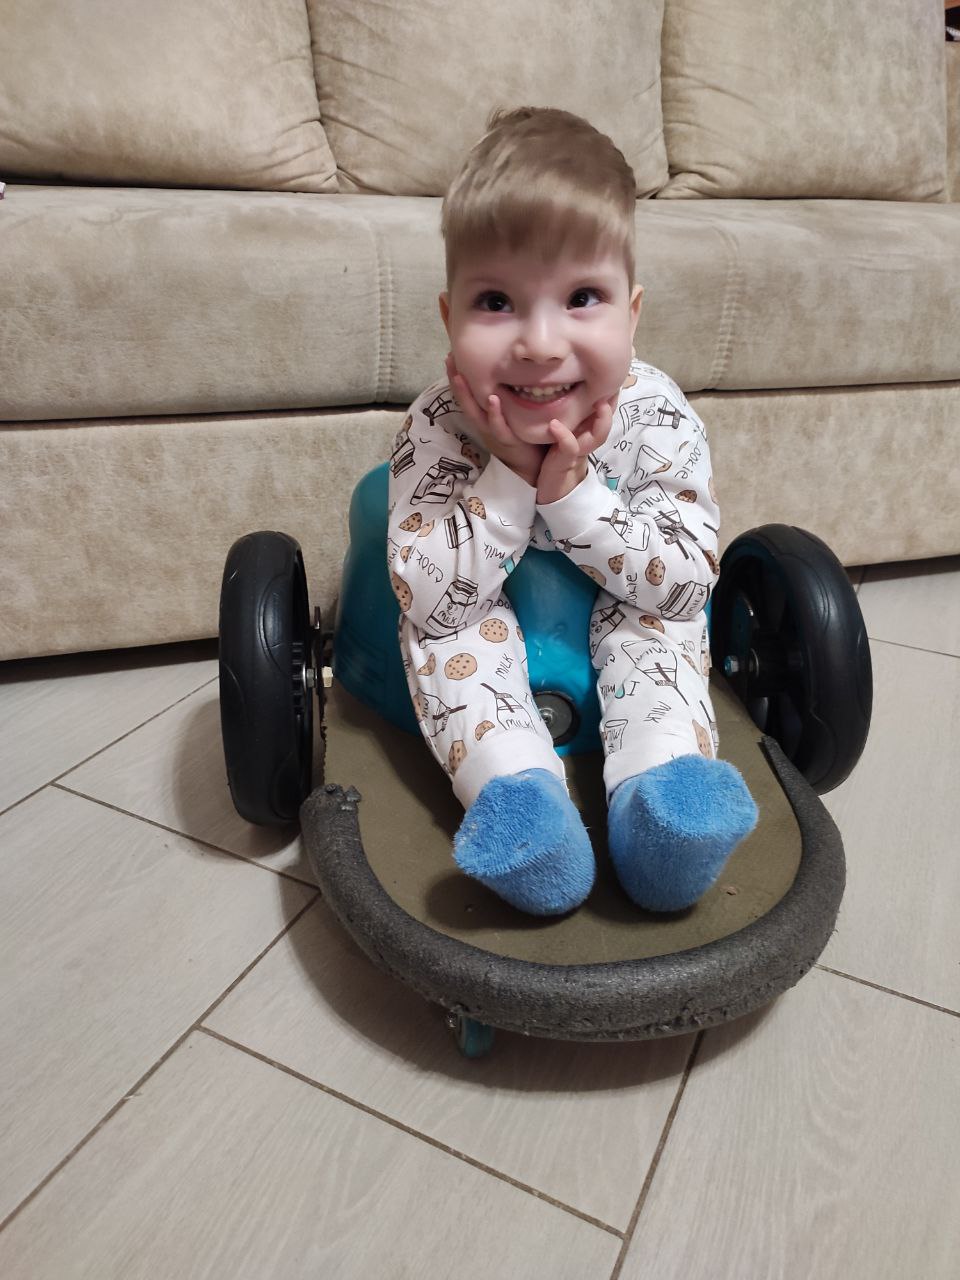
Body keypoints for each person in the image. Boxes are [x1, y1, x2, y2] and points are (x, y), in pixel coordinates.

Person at [387, 106, 757, 916]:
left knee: (654, 627)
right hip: (484, 615)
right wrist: (511, 477)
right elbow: (430, 599)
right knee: (450, 639)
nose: (540, 343)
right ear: (450, 318)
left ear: (632, 313)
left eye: (582, 297)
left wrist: (574, 498)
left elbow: (685, 585)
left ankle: (664, 803)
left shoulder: (658, 415)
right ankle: (522, 805)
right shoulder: (437, 424)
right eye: (496, 301)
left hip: (631, 601)